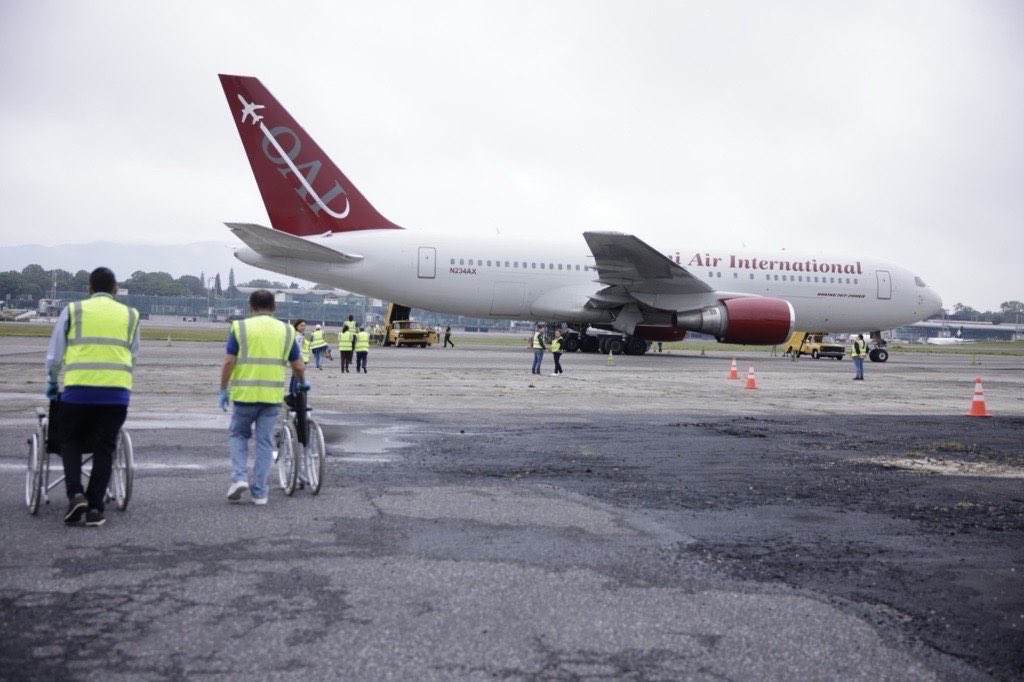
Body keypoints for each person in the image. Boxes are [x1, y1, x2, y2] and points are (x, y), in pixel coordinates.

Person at [44, 267, 140, 527]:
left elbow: (55, 356)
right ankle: (96, 508)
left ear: (88, 288)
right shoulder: (131, 315)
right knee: (105, 449)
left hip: (78, 392)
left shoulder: (73, 311)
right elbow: (133, 357)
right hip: (116, 394)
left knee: (70, 441)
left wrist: (53, 383)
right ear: (115, 289)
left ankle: (75, 495)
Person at [219, 290, 307, 505]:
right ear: (274, 307)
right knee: (264, 443)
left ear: (251, 307)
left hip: (244, 395)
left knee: (239, 436)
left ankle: (239, 478)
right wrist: (302, 381)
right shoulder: (286, 330)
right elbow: (297, 364)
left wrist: (223, 388)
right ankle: (260, 492)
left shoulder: (239, 327)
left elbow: (229, 361)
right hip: (271, 396)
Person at [289, 319, 310, 395]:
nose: (303, 327)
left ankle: (292, 393)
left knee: (294, 376)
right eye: (301, 325)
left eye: (304, 325)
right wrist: (300, 360)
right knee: (297, 377)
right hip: (299, 359)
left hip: (298, 358)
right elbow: (298, 348)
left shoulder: (297, 334)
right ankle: (295, 394)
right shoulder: (298, 336)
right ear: (297, 326)